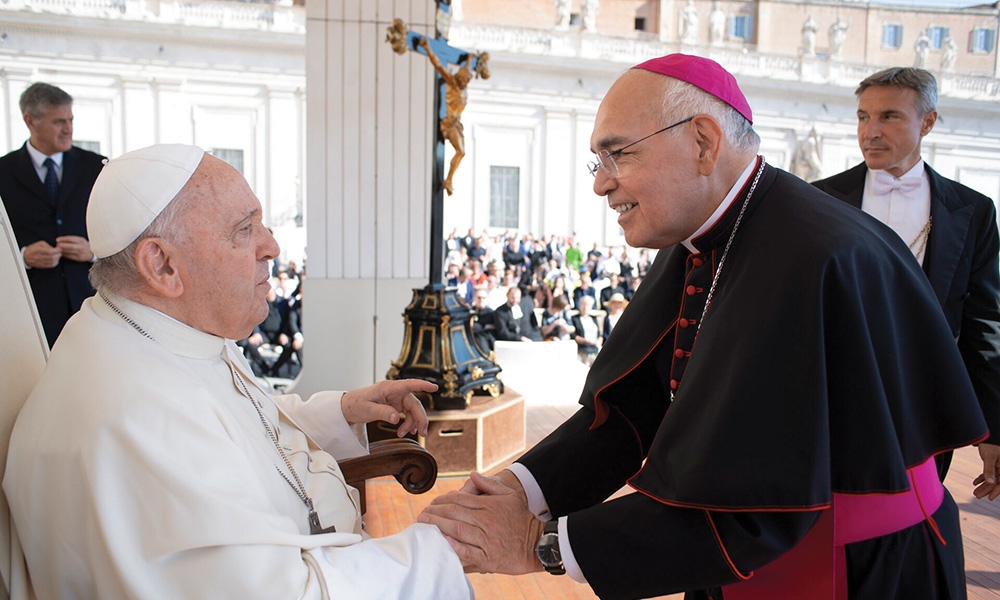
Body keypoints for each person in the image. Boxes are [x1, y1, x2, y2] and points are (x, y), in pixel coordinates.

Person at [418, 54, 991, 598]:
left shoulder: (813, 256)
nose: (601, 183)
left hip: (850, 566)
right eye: (599, 161)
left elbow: (753, 503)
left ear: (702, 142)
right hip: (736, 557)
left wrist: (540, 544)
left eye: (620, 155)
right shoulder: (704, 234)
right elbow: (633, 408)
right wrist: (517, 490)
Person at [3, 144, 470, 599]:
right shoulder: (137, 422)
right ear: (162, 265)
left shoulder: (152, 328)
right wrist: (446, 550)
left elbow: (238, 420)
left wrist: (344, 411)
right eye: (244, 229)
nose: (271, 245)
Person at [813, 66, 1000, 486]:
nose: (870, 131)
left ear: (927, 122)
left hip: (926, 408)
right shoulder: (817, 199)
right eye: (863, 117)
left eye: (889, 117)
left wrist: (994, 427)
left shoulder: (973, 211)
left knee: (916, 527)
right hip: (832, 403)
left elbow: (984, 324)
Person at [0, 82, 105, 347]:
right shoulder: (3, 172)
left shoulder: (97, 167)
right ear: (30, 121)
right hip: (32, 315)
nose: (69, 129)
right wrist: (22, 256)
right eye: (59, 121)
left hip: (92, 307)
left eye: (70, 119)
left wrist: (93, 251)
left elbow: (121, 230)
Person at [417, 36, 471, 196]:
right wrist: (427, 48)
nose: (466, 82)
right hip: (447, 123)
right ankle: (448, 179)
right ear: (460, 77)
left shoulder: (462, 87)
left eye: (468, 80)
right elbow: (438, 65)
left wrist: (469, 59)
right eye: (465, 79)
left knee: (461, 152)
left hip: (456, 123)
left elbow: (468, 67)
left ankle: (449, 179)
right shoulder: (453, 83)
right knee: (460, 151)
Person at [570, 295, 600, 365]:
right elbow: (573, 335)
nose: (585, 307)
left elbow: (599, 333)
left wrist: (598, 340)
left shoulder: (593, 318)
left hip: (595, 347)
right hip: (583, 348)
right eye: (583, 305)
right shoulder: (575, 319)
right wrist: (586, 341)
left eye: (588, 305)